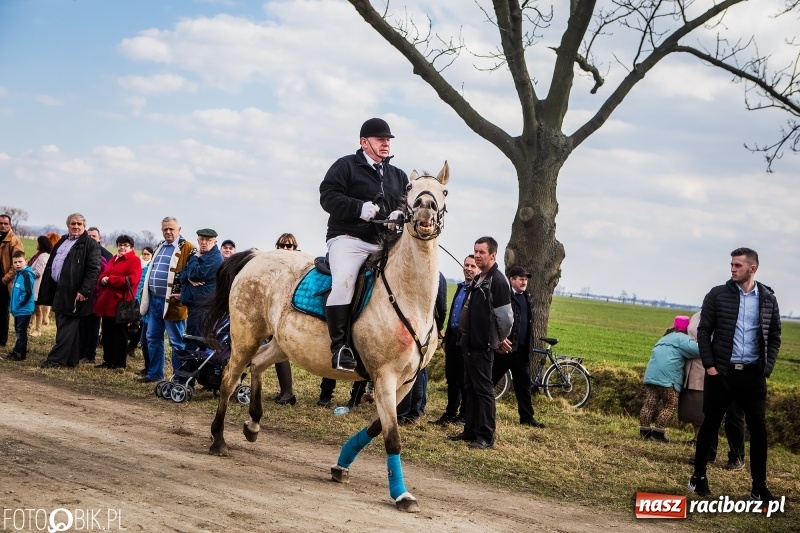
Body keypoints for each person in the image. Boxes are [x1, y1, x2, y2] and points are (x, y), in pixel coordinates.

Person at [688, 248, 781, 502]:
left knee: (759, 431)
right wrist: (710, 366)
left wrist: (766, 369)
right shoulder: (717, 294)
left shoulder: (768, 299)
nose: (732, 269)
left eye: (738, 265)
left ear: (753, 268)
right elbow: (704, 331)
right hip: (722, 373)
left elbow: (774, 336)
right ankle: (698, 477)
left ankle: (759, 488)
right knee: (710, 424)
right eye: (731, 264)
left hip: (753, 376)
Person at [319, 117, 409, 371]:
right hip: (348, 239)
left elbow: (405, 205)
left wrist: (399, 215)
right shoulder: (345, 165)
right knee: (344, 281)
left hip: (383, 244)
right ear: (364, 142)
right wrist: (358, 208)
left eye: (388, 140)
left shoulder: (398, 175)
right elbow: (327, 197)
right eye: (380, 139)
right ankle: (339, 347)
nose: (386, 143)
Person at [448, 236, 513, 450]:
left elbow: (506, 319)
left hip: (483, 345)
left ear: (492, 255)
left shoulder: (498, 281)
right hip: (469, 343)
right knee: (470, 388)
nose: (477, 255)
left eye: (481, 252)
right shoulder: (479, 278)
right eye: (475, 251)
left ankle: (485, 435)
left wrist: (498, 338)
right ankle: (470, 430)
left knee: (484, 390)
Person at [681, 312, 747, 470]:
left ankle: (737, 457)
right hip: (712, 369)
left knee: (734, 415)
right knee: (710, 414)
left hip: (735, 368)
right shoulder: (698, 316)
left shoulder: (738, 314)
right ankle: (707, 453)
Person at [37, 213, 102, 369]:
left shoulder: (90, 244)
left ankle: (56, 359)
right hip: (59, 289)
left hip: (75, 292)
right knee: (63, 324)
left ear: (84, 226)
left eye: (79, 224)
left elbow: (94, 269)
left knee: (67, 325)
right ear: (68, 225)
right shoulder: (62, 241)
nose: (76, 226)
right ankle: (71, 360)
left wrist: (84, 290)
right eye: (73, 223)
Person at [138, 217, 195, 383]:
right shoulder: (160, 246)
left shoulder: (188, 248)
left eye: (171, 229)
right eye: (165, 229)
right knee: (152, 337)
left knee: (177, 341)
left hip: (173, 303)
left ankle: (180, 378)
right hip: (154, 300)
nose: (168, 232)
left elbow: (192, 272)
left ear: (179, 230)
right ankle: (155, 373)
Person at [492, 266, 546, 428]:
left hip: (522, 351)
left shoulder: (527, 298)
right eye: (521, 279)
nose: (524, 282)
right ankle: (472, 412)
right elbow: (496, 319)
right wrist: (499, 340)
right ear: (511, 279)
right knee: (488, 382)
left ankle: (527, 417)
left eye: (526, 279)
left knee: (523, 386)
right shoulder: (505, 297)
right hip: (505, 350)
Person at [432, 255, 479, 426]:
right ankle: (450, 413)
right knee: (451, 378)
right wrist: (446, 339)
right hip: (452, 339)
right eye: (467, 265)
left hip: (466, 340)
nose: (469, 269)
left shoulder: (477, 291)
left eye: (473, 266)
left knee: (464, 379)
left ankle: (464, 415)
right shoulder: (460, 288)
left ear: (478, 270)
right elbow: (453, 314)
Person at [638, 315, 699, 443]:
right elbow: (698, 351)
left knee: (650, 403)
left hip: (651, 376)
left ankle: (644, 431)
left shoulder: (664, 337)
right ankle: (658, 433)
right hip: (667, 379)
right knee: (670, 405)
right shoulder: (683, 339)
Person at [397, 272, 446, 424]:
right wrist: (438, 326)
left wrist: (438, 327)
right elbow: (442, 307)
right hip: (426, 328)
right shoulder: (438, 275)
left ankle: (404, 412)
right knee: (420, 369)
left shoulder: (430, 275)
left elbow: (441, 306)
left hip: (414, 327)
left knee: (412, 369)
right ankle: (416, 410)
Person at [92, 235, 142, 370]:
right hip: (107, 302)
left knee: (119, 334)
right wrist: (102, 279)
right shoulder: (114, 258)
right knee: (107, 332)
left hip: (121, 303)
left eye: (125, 245)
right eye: (120, 245)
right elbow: (104, 274)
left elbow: (131, 280)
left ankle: (119, 363)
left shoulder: (134, 260)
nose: (122, 247)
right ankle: (108, 360)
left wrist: (110, 280)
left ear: (131, 247)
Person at [180, 228, 223, 350]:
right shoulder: (198, 255)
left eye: (208, 240)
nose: (204, 242)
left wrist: (194, 260)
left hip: (202, 307)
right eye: (201, 239)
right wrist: (188, 278)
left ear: (215, 242)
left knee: (197, 341)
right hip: (194, 306)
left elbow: (195, 274)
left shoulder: (215, 258)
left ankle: (195, 361)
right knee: (192, 338)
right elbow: (182, 276)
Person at [78, 227, 112, 364]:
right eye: (89, 235)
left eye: (94, 236)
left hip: (96, 295)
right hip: (83, 293)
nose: (91, 238)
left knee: (93, 326)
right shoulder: (82, 250)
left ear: (99, 238)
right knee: (82, 325)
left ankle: (90, 355)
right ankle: (80, 352)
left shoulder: (105, 254)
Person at [272, 233, 299, 405]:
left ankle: (288, 392)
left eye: (289, 246)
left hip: (289, 314)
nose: (285, 248)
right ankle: (285, 391)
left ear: (295, 248)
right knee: (275, 351)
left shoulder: (298, 266)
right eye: (282, 245)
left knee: (280, 350)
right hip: (275, 313)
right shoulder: (274, 266)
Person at [0, 213, 25, 348]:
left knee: (2, 311)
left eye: (6, 223)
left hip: (5, 281)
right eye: (1, 223)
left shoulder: (14, 241)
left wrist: (5, 279)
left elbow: (18, 263)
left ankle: (2, 339)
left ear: (10, 225)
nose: (3, 226)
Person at [7, 251, 35, 361]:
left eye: (20, 261)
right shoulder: (18, 275)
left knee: (21, 332)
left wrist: (19, 303)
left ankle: (18, 353)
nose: (18, 264)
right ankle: (21, 352)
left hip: (24, 309)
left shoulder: (26, 275)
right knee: (19, 331)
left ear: (26, 262)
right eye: (15, 262)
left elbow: (28, 292)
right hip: (19, 310)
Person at [28, 236, 53, 337]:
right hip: (33, 286)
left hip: (37, 287)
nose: (36, 244)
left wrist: (27, 272)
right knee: (32, 308)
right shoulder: (39, 255)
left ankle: (38, 330)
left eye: (37, 242)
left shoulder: (43, 256)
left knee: (37, 308)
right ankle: (29, 327)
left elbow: (39, 272)